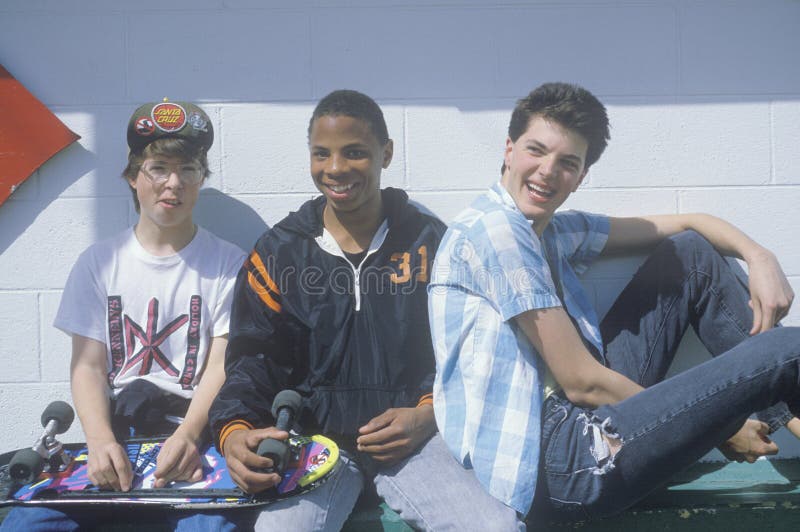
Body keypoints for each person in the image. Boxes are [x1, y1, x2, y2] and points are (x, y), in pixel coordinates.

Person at [428, 82, 800, 525]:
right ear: (509, 150)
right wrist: (720, 428)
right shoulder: (499, 232)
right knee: (786, 350)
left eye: (567, 162)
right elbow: (583, 382)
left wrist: (760, 256)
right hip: (559, 463)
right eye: (536, 151)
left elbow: (687, 224)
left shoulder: (552, 231)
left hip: (578, 420)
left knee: (690, 255)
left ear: (581, 176)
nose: (548, 171)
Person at [208, 89, 522, 531]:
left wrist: (429, 413)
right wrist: (234, 431)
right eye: (322, 154)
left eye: (354, 153)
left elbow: (469, 350)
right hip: (314, 446)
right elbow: (252, 358)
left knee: (494, 527)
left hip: (416, 442)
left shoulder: (434, 243)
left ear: (386, 153)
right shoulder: (279, 252)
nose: (335, 168)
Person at [1, 100, 246, 531]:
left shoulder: (228, 264)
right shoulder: (99, 263)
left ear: (201, 179)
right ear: (133, 177)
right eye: (159, 168)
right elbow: (89, 367)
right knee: (26, 525)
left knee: (210, 529)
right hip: (117, 435)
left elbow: (220, 366)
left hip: (193, 437)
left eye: (188, 169)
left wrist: (189, 436)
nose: (174, 183)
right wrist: (98, 441)